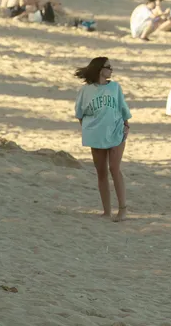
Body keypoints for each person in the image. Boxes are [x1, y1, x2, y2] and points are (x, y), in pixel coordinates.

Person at [74, 57, 131, 222]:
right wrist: (89, 129)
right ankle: (107, 212)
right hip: (96, 134)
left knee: (115, 168)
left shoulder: (115, 87)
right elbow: (79, 113)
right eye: (109, 67)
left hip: (116, 131)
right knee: (101, 173)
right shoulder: (86, 90)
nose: (111, 70)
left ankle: (123, 209)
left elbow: (123, 107)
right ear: (100, 69)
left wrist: (126, 125)